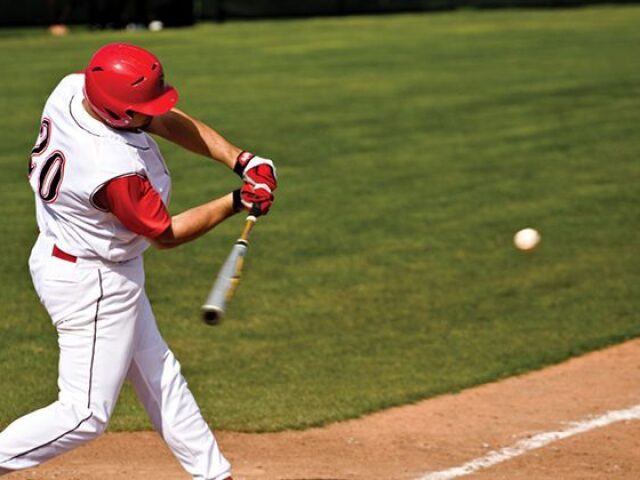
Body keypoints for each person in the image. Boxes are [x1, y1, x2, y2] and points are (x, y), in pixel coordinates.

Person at [0, 42, 277, 480]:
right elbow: (164, 235)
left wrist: (242, 160)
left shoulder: (74, 90)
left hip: (75, 257)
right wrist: (237, 200)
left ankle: (213, 474)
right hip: (92, 283)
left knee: (159, 374)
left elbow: (161, 117)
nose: (154, 113)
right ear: (119, 114)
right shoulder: (113, 168)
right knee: (85, 413)